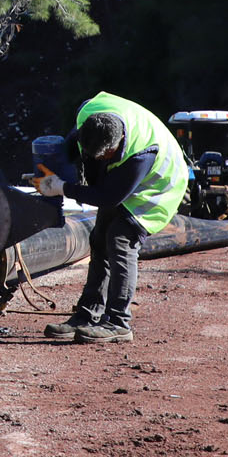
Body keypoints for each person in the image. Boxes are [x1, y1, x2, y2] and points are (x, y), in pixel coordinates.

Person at [42, 90, 187, 343]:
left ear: (118, 140)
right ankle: (88, 314)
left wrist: (63, 188)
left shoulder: (140, 154)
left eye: (105, 156)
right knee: (99, 240)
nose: (101, 160)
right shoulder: (87, 114)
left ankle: (119, 322)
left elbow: (109, 197)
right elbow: (75, 147)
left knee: (119, 239)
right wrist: (56, 168)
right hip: (122, 182)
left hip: (157, 188)